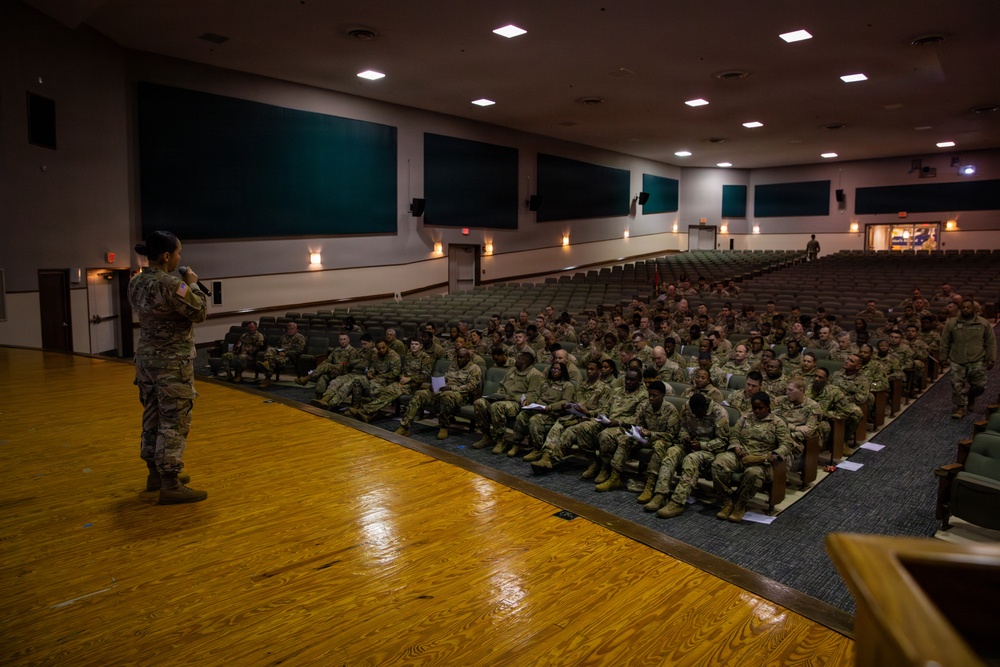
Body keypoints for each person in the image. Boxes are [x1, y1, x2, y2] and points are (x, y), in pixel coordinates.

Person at [128, 231, 208, 505]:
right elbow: (198, 312)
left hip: (146, 362)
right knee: (174, 421)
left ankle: (155, 475)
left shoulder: (135, 282)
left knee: (152, 417)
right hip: (171, 364)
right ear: (165, 256)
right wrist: (193, 285)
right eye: (177, 253)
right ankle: (171, 483)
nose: (179, 258)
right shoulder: (173, 285)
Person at [712, 392, 796, 523]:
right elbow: (734, 436)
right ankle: (727, 501)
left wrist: (770, 456)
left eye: (760, 408)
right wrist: (737, 448)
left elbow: (787, 444)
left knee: (753, 473)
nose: (756, 411)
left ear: (767, 407)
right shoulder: (745, 418)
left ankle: (740, 504)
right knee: (718, 464)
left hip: (762, 461)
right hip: (741, 455)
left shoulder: (777, 422)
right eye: (754, 407)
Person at [646, 392, 730, 518]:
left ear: (704, 408)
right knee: (672, 452)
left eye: (698, 413)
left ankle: (677, 502)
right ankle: (661, 494)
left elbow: (723, 442)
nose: (695, 415)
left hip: (709, 451)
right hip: (690, 445)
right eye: (694, 412)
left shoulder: (719, 413)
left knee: (691, 459)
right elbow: (683, 427)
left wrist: (701, 445)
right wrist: (685, 437)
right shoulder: (688, 407)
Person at [597, 380, 680, 492]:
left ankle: (649, 484)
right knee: (625, 439)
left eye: (655, 396)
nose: (651, 398)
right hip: (644, 438)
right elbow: (638, 423)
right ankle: (614, 476)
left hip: (661, 439)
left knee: (659, 446)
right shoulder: (646, 406)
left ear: (663, 395)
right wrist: (639, 431)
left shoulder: (671, 410)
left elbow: (672, 436)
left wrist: (651, 433)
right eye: (650, 395)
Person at [395, 348, 483, 439]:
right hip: (444, 391)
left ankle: (444, 427)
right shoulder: (454, 365)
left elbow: (472, 386)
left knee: (447, 395)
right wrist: (435, 384)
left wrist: (451, 388)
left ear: (468, 358)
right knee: (419, 394)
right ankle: (404, 426)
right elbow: (445, 378)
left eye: (462, 358)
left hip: (462, 396)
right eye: (458, 357)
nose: (459, 360)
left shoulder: (475, 369)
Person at [472, 351, 545, 455]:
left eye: (518, 358)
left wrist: (511, 398)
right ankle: (487, 436)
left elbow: (533, 396)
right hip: (503, 399)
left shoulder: (535, 375)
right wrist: (498, 395)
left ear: (524, 361)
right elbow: (502, 385)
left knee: (497, 407)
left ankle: (500, 440)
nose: (516, 360)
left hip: (516, 403)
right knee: (479, 403)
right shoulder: (512, 370)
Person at [940, 298, 997, 418]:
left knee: (980, 386)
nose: (965, 310)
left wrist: (991, 358)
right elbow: (945, 341)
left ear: (974, 309)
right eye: (963, 308)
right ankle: (961, 408)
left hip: (977, 359)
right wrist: (943, 357)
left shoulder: (983, 323)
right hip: (957, 359)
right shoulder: (952, 323)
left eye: (968, 307)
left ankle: (970, 396)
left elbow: (990, 342)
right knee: (957, 386)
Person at [257, 321, 306, 388]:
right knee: (270, 349)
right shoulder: (284, 336)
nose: (290, 331)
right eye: (288, 329)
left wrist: (286, 353)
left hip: (290, 357)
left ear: (296, 329)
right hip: (281, 353)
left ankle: (267, 378)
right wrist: (279, 351)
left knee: (272, 359)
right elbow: (278, 346)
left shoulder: (300, 337)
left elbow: (299, 351)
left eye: (292, 329)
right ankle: (266, 363)